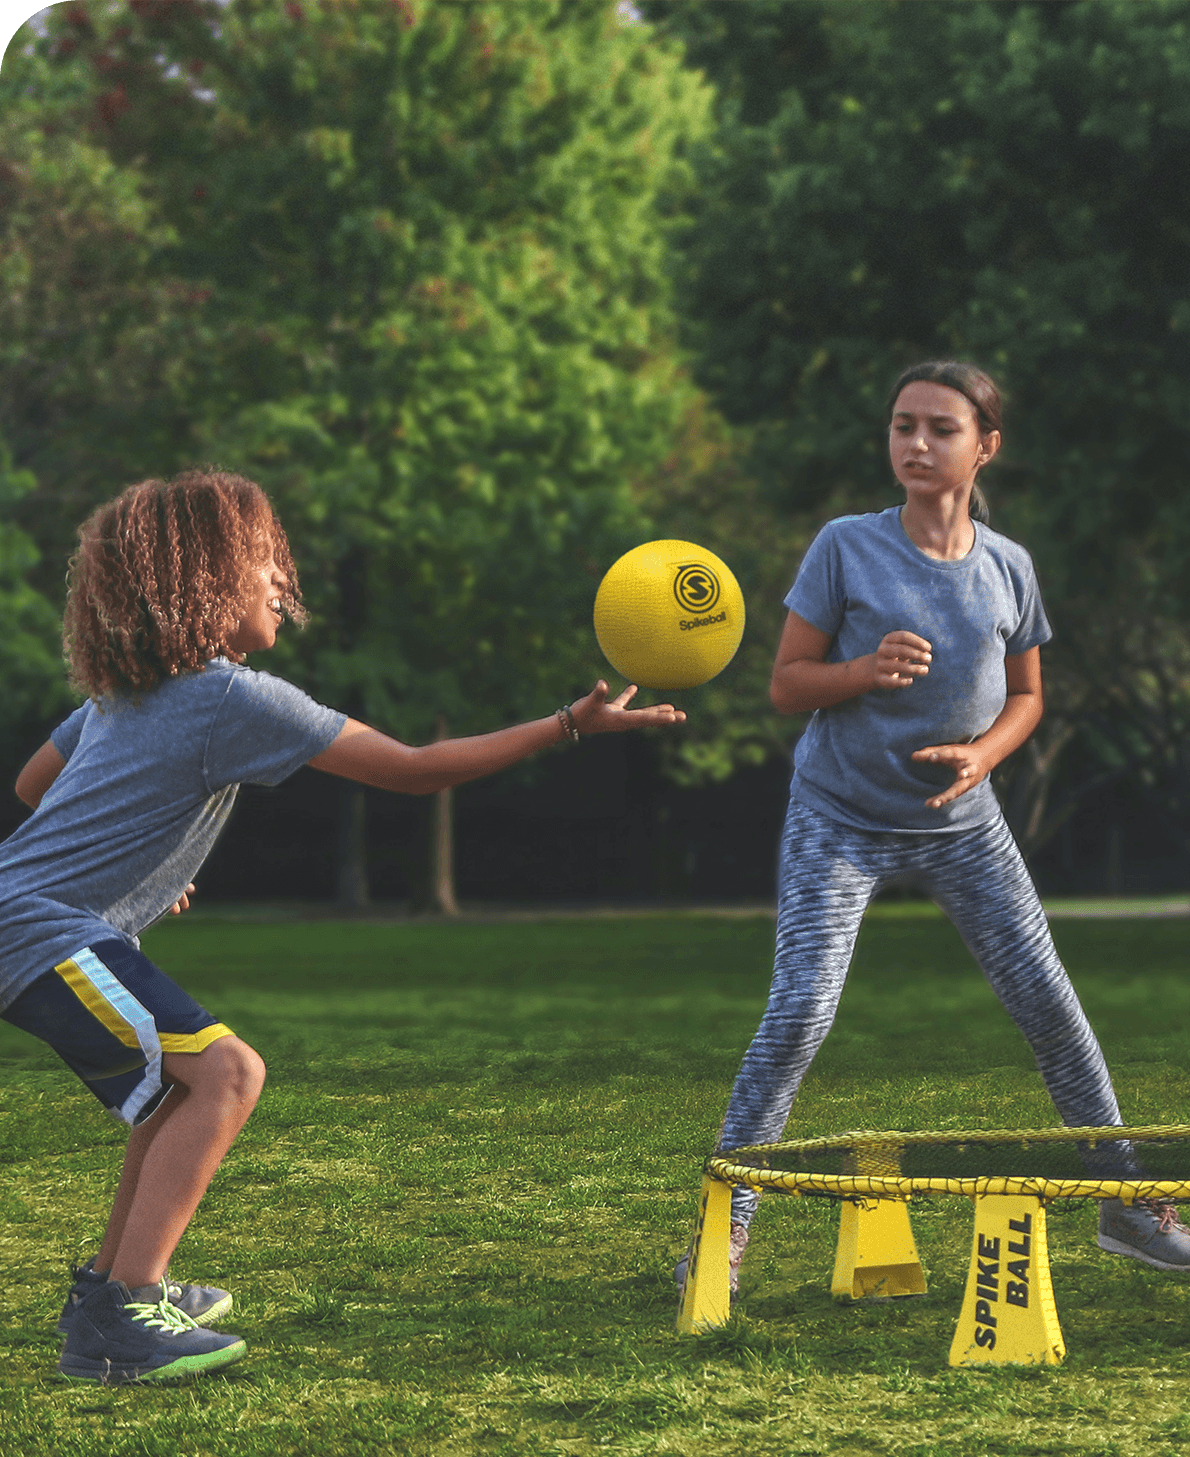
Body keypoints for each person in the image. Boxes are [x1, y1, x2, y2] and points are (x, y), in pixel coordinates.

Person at [5, 469, 683, 1383]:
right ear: (201, 582)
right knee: (228, 1075)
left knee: (178, 1088)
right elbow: (414, 768)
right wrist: (565, 723)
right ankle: (120, 1321)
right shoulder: (229, 698)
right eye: (262, 565)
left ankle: (112, 1290)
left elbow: (34, 787)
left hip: (33, 916)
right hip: (40, 932)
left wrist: (141, 873)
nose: (282, 583)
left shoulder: (120, 695)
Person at [686, 360, 1190, 1294]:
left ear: (987, 448)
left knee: (1051, 1006)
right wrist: (861, 672)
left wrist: (984, 757)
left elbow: (1027, 696)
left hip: (964, 827)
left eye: (940, 429)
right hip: (838, 818)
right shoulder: (846, 548)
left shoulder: (1009, 566)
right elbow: (785, 685)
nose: (916, 445)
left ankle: (1127, 1205)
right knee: (801, 1010)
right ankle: (722, 1235)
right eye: (901, 426)